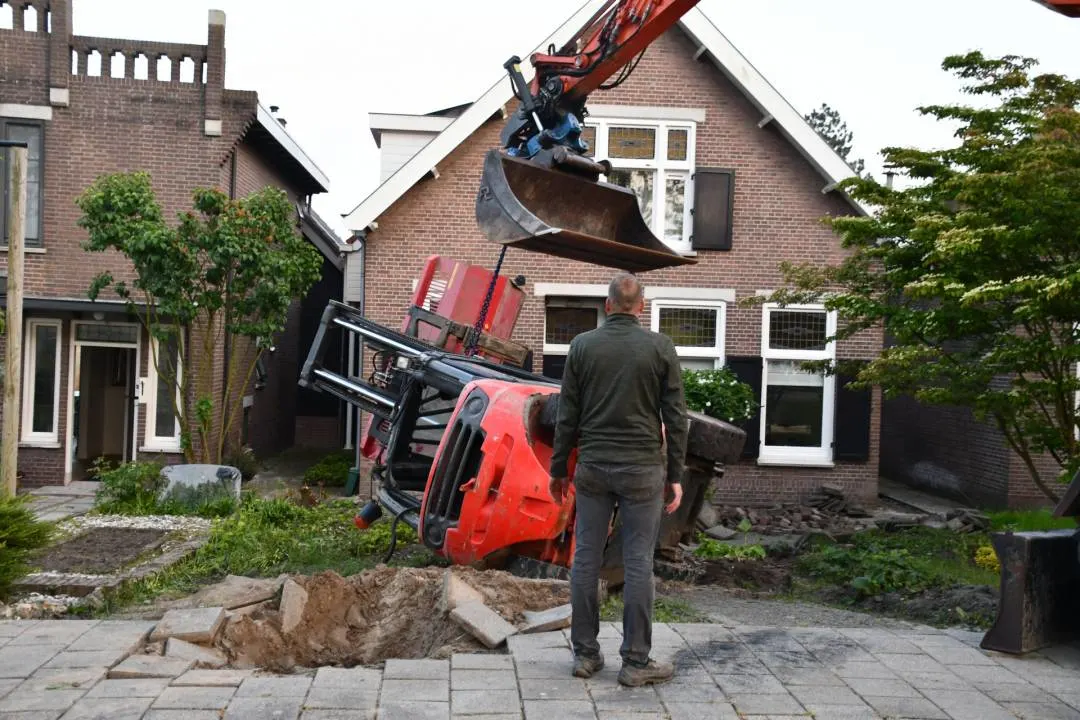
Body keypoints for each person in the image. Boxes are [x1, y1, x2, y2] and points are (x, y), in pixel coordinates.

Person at [549, 272, 689, 687]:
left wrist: (558, 469)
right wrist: (676, 476)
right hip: (643, 470)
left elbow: (566, 414)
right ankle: (635, 662)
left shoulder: (582, 347)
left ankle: (585, 656)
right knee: (638, 562)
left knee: (586, 559)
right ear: (640, 307)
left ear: (607, 305)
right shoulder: (660, 347)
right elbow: (676, 419)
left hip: (593, 468)